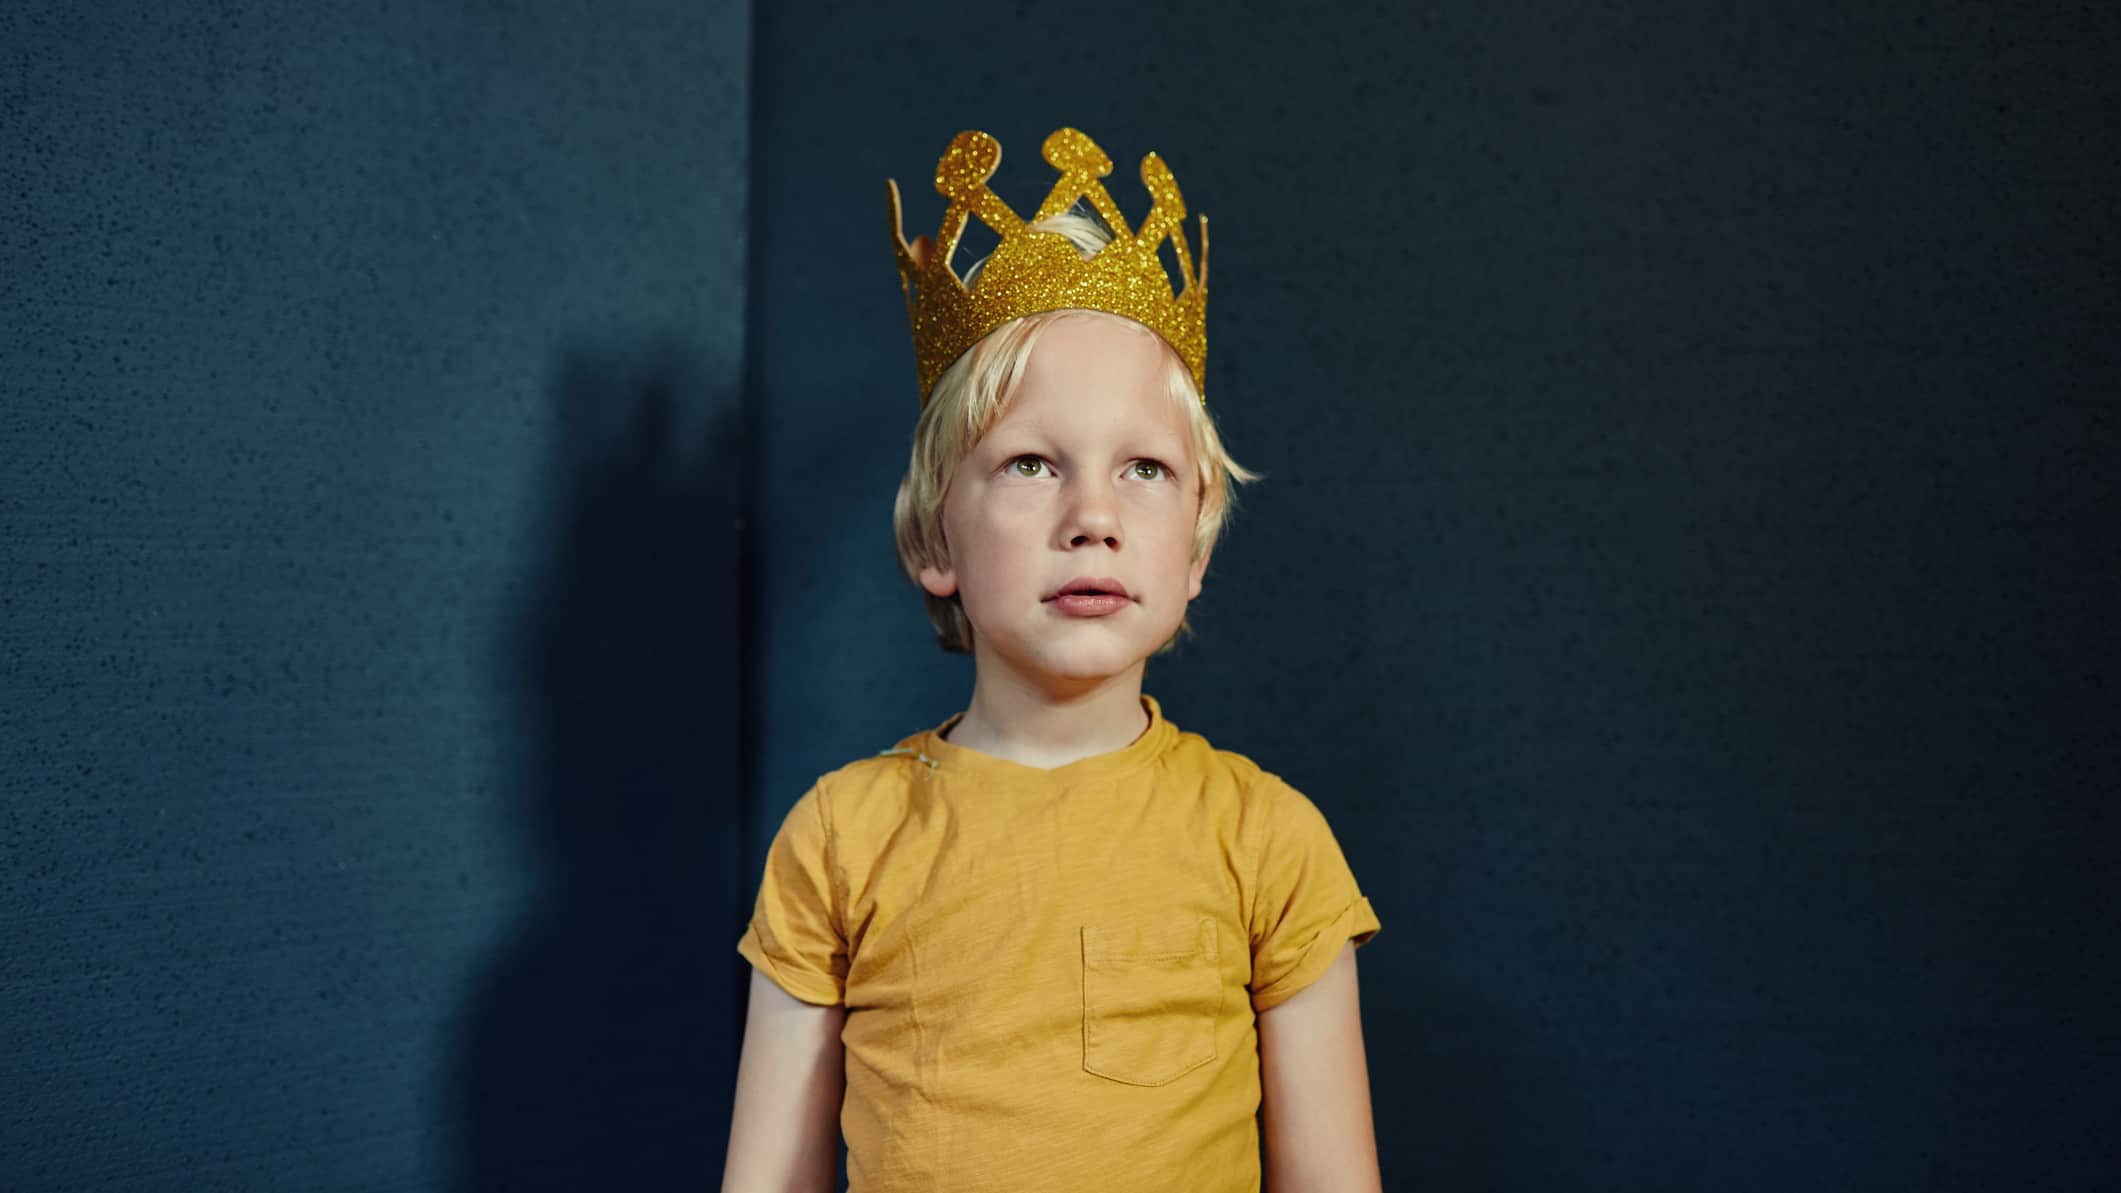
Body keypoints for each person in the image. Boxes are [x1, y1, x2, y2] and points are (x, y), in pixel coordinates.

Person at [721, 127, 1383, 1193]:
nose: (1093, 517)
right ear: (935, 539)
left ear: (1195, 550)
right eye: (1031, 463)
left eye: (1144, 469)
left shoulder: (1268, 841)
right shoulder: (841, 839)